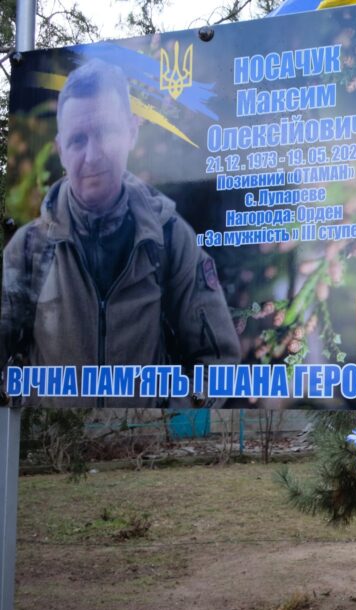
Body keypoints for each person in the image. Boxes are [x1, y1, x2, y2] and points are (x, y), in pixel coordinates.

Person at [0, 60, 239, 406]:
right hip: (54, 452)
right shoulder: (29, 249)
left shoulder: (170, 238)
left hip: (147, 449)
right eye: (78, 139)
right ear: (60, 148)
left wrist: (165, 422)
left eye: (105, 132)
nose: (92, 154)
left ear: (131, 131)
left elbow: (219, 364)